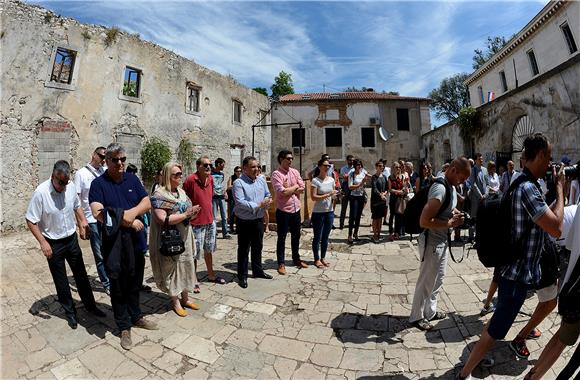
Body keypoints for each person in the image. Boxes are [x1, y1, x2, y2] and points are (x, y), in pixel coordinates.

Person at [457, 133, 565, 379]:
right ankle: (464, 374)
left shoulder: (520, 182)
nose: (550, 163)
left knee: (502, 320)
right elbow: (556, 227)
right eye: (548, 157)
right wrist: (560, 189)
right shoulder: (527, 188)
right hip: (517, 275)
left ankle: (474, 361)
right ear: (538, 156)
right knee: (497, 328)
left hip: (519, 271)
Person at [89, 143, 158, 350]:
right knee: (118, 286)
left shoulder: (132, 179)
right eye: (115, 160)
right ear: (106, 161)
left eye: (123, 159)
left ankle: (136, 316)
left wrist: (129, 214)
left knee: (135, 283)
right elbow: (98, 213)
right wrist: (128, 221)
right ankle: (124, 326)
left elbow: (147, 202)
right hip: (114, 245)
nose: (120, 163)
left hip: (136, 242)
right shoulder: (98, 184)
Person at [26, 160, 106, 330]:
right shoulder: (41, 193)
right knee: (61, 280)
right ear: (53, 176)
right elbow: (31, 220)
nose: (63, 186)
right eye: (60, 182)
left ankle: (91, 306)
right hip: (53, 243)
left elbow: (77, 206)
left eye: (66, 182)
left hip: (71, 240)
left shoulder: (69, 187)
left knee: (81, 275)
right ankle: (70, 313)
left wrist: (83, 222)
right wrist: (43, 242)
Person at [409, 157, 471, 331]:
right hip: (431, 242)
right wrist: (450, 224)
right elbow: (424, 220)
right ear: (453, 171)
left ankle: (431, 311)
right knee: (426, 279)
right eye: (462, 178)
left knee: (439, 278)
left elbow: (448, 209)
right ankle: (416, 315)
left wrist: (457, 214)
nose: (463, 182)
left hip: (442, 240)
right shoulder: (439, 189)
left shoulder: (450, 187)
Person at [149, 162, 200, 317]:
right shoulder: (159, 195)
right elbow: (161, 219)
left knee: (185, 265)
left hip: (184, 235)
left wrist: (193, 213)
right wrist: (186, 214)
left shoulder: (181, 193)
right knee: (170, 269)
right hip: (169, 238)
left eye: (180, 174)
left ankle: (185, 298)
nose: (180, 176)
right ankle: (175, 301)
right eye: (176, 174)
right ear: (167, 176)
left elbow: (188, 212)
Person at [183, 156, 225, 286]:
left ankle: (211, 275)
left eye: (209, 165)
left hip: (210, 221)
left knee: (209, 250)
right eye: (205, 165)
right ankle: (193, 278)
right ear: (198, 166)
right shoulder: (190, 180)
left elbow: (210, 197)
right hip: (196, 223)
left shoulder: (210, 179)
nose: (208, 167)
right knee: (194, 253)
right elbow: (184, 200)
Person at [233, 156, 273, 288]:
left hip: (258, 220)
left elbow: (268, 194)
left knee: (258, 246)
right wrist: (258, 205)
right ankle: (242, 276)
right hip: (244, 221)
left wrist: (268, 201)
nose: (256, 169)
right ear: (245, 168)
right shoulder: (239, 183)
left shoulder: (261, 181)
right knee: (244, 249)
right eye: (253, 167)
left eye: (257, 166)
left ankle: (258, 271)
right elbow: (240, 201)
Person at [74, 146, 110, 295]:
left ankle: (112, 277)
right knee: (99, 253)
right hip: (91, 218)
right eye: (101, 156)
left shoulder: (104, 172)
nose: (103, 159)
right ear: (93, 155)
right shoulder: (81, 174)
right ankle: (107, 283)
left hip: (106, 216)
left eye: (105, 157)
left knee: (109, 249)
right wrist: (81, 223)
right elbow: (76, 199)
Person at [271, 150, 308, 275]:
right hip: (283, 210)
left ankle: (296, 259)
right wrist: (294, 188)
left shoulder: (295, 172)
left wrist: (289, 188)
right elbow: (282, 192)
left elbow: (303, 188)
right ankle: (281, 263)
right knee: (281, 237)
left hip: (296, 209)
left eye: (291, 158)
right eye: (288, 158)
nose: (291, 160)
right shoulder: (276, 174)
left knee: (296, 236)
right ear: (281, 159)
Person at [310, 158, 337, 267]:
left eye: (328, 166)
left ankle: (323, 258)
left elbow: (333, 194)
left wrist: (335, 196)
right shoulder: (315, 181)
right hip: (318, 213)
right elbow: (313, 197)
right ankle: (316, 259)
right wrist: (328, 195)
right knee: (317, 237)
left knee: (326, 237)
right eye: (325, 165)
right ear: (320, 166)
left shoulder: (331, 179)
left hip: (329, 212)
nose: (327, 167)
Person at [466, 153, 487, 242]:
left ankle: (480, 235)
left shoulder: (485, 170)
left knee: (482, 217)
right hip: (475, 198)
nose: (481, 160)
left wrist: (485, 194)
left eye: (482, 159)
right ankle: (471, 236)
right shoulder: (472, 170)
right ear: (475, 161)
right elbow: (473, 184)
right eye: (480, 159)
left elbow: (488, 183)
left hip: (484, 198)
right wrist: (480, 195)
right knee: (473, 217)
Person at [347, 158, 369, 244]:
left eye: (360, 165)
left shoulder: (363, 173)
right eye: (357, 165)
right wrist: (360, 184)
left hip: (361, 196)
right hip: (354, 197)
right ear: (355, 166)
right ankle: (349, 235)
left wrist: (364, 183)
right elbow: (350, 187)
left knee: (359, 216)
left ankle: (355, 233)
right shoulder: (351, 175)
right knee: (353, 216)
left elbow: (364, 184)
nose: (359, 166)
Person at [211, 158, 231, 239]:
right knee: (214, 216)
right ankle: (213, 232)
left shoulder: (222, 174)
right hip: (214, 197)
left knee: (224, 216)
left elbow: (221, 184)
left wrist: (225, 192)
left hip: (221, 197)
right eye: (223, 165)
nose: (224, 166)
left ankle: (225, 233)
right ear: (218, 164)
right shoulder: (210, 174)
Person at [388, 162, 407, 241]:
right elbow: (390, 189)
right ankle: (391, 232)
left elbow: (404, 186)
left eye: (399, 167)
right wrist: (399, 191)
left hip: (400, 199)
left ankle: (397, 232)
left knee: (399, 216)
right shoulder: (390, 177)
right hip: (393, 198)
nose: (398, 168)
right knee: (392, 215)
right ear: (393, 168)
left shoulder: (402, 176)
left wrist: (404, 190)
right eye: (396, 167)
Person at [371, 161, 388, 243]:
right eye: (380, 166)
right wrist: (380, 195)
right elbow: (374, 189)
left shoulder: (384, 177)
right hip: (375, 201)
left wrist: (384, 193)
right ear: (376, 167)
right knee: (375, 218)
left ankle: (379, 234)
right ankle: (374, 235)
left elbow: (387, 188)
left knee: (380, 218)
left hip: (383, 201)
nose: (382, 167)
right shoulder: (374, 177)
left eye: (383, 166)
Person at [339, 155, 354, 229]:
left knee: (353, 208)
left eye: (352, 160)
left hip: (353, 189)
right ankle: (341, 224)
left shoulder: (355, 168)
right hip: (345, 188)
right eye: (350, 160)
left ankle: (351, 223)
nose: (351, 161)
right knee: (343, 208)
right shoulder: (343, 168)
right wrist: (349, 177)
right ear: (347, 160)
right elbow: (343, 178)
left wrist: (348, 177)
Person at [227, 166, 242, 234]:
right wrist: (236, 185)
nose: (239, 172)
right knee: (232, 213)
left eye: (240, 171)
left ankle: (238, 229)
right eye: (237, 171)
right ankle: (231, 228)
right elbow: (229, 187)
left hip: (240, 198)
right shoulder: (231, 177)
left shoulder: (242, 178)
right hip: (232, 198)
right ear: (235, 172)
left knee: (239, 214)